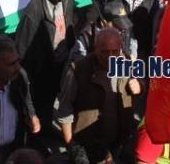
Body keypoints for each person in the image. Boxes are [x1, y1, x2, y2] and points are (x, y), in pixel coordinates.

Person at [57, 29, 140, 163]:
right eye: (105, 52)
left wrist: (139, 86)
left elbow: (143, 84)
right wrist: (72, 146)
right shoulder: (78, 70)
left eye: (115, 51)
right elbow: (65, 109)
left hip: (119, 140)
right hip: (88, 144)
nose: (110, 57)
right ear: (95, 49)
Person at [15, 0, 75, 133]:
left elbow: (70, 22)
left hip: (63, 59)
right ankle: (38, 135)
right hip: (42, 66)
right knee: (40, 100)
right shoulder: (34, 10)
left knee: (55, 96)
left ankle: (47, 126)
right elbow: (23, 46)